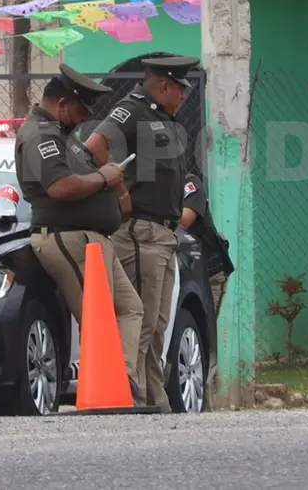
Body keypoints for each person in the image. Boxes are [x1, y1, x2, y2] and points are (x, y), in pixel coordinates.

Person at [14, 63, 145, 401]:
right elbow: (59, 187)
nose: (84, 117)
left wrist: (110, 179)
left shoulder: (64, 136)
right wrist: (104, 178)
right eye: (81, 109)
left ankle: (123, 380)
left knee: (130, 307)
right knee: (96, 316)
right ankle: (105, 389)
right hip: (68, 236)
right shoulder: (41, 134)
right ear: (61, 104)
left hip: (92, 238)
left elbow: (91, 182)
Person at [85, 55, 199, 414]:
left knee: (157, 324)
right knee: (143, 320)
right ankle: (128, 392)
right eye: (180, 89)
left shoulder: (162, 117)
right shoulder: (132, 110)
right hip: (141, 232)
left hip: (163, 235)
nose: (183, 97)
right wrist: (119, 193)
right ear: (164, 86)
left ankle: (154, 400)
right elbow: (95, 146)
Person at [178, 173, 235, 318]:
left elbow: (185, 219)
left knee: (206, 324)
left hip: (211, 270)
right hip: (183, 269)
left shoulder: (189, 182)